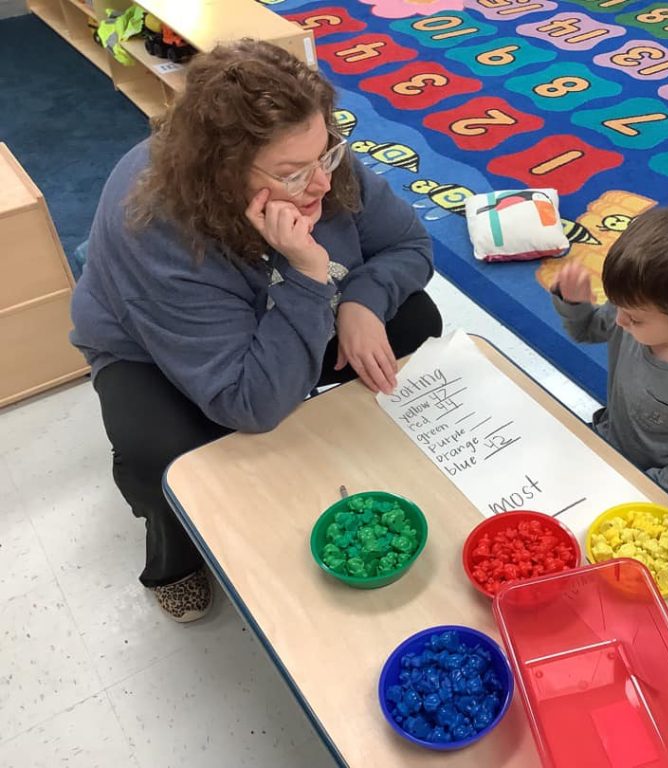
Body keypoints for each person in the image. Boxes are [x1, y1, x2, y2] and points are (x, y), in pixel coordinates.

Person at [70, 40, 442, 622]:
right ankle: (173, 557)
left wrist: (361, 304)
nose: (320, 183)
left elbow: (409, 244)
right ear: (221, 173)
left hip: (291, 306)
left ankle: (342, 448)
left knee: (413, 315)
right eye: (294, 175)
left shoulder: (311, 159)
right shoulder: (155, 226)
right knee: (163, 452)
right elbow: (246, 401)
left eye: (326, 154)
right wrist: (309, 275)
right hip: (151, 351)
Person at [549, 204, 668, 505]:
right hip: (609, 443)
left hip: (654, 488)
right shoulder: (636, 309)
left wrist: (647, 483)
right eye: (617, 306)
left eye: (634, 319)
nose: (620, 321)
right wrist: (575, 304)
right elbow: (587, 331)